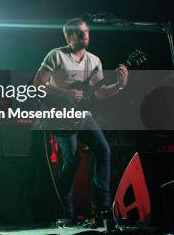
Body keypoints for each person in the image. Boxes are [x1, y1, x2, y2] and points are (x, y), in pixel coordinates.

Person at [34, 18, 128, 224]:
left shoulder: (94, 61)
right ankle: (65, 213)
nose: (85, 34)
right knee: (72, 161)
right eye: (79, 32)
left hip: (82, 115)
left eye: (86, 31)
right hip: (59, 114)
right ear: (69, 37)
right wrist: (65, 93)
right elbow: (38, 83)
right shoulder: (56, 55)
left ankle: (103, 207)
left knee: (104, 150)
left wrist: (119, 86)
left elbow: (100, 93)